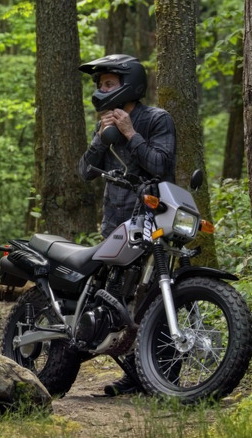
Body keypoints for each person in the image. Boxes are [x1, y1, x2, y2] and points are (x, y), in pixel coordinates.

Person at [77, 54, 177, 396]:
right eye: (100, 84)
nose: (102, 90)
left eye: (108, 84)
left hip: (154, 221)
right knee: (117, 303)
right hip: (116, 223)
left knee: (153, 299)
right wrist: (99, 139)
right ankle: (134, 375)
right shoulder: (102, 124)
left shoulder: (156, 119)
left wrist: (130, 132)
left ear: (128, 85)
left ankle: (165, 374)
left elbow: (161, 165)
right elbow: (84, 173)